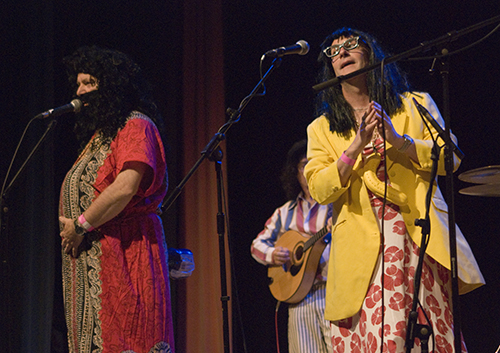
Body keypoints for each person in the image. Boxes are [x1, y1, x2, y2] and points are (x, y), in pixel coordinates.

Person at [304, 27, 485, 352]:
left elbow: (451, 158)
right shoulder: (322, 128)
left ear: (370, 53)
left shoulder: (414, 104)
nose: (341, 53)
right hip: (360, 252)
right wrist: (355, 146)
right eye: (333, 51)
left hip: (417, 239)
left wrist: (400, 142)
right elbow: (319, 188)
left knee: (422, 336)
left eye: (350, 46)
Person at [58, 46, 175, 353]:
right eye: (78, 84)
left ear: (110, 86)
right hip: (99, 259)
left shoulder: (136, 125)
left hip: (129, 256)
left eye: (89, 83)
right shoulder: (101, 137)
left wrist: (81, 224)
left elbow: (125, 187)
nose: (80, 91)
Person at [251, 140, 334, 352]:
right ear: (295, 173)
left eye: (314, 163)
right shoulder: (284, 212)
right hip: (298, 300)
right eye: (304, 164)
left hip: (332, 292)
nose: (308, 169)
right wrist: (273, 254)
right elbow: (257, 245)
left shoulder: (335, 206)